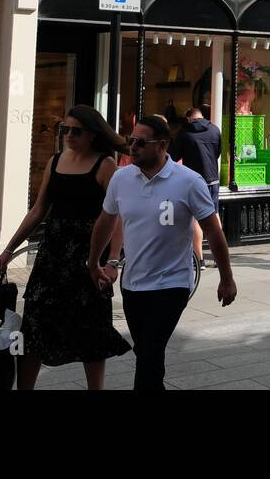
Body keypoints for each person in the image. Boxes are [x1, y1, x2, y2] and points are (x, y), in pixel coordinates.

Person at [88, 114, 237, 390]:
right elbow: (106, 221)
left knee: (149, 352)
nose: (133, 147)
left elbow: (214, 231)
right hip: (133, 285)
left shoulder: (189, 181)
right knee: (146, 353)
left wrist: (226, 277)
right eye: (131, 141)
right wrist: (95, 261)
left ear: (162, 145)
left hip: (172, 283)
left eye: (141, 142)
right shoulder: (121, 179)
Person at [0, 105, 131, 390]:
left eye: (76, 131)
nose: (68, 135)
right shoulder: (55, 161)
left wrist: (113, 261)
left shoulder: (106, 165)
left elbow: (116, 217)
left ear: (93, 135)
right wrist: (8, 249)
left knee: (91, 329)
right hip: (52, 257)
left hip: (88, 259)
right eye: (64, 129)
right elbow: (38, 210)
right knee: (33, 327)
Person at [173, 106, 223, 264]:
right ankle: (218, 258)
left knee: (195, 218)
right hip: (213, 179)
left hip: (193, 180)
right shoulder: (215, 130)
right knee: (214, 215)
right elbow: (218, 152)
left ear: (189, 118)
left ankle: (199, 259)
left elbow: (174, 156)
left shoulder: (184, 133)